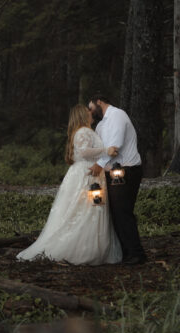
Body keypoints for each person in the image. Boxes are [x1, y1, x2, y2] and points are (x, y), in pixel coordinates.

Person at [17, 104, 122, 265]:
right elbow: (84, 152)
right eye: (88, 111)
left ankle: (91, 248)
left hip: (83, 173)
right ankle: (85, 249)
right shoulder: (84, 131)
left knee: (83, 209)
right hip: (86, 176)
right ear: (82, 115)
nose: (91, 112)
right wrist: (106, 150)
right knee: (87, 209)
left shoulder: (81, 132)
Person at [88, 95, 146, 266]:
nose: (90, 111)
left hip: (126, 170)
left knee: (123, 212)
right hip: (110, 172)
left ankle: (136, 253)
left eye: (90, 106)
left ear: (99, 101)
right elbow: (100, 149)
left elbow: (116, 145)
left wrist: (99, 165)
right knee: (115, 213)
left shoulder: (118, 115)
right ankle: (126, 252)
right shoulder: (101, 125)